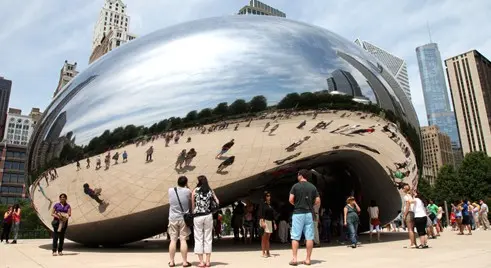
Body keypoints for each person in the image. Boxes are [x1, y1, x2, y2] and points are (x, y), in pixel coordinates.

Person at [288, 169, 320, 266]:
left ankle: (294, 259)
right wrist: (310, 204)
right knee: (309, 237)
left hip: (298, 213)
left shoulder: (295, 186)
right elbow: (318, 200)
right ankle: (308, 259)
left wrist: (296, 204)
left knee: (295, 236)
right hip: (309, 213)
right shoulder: (313, 187)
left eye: (298, 175)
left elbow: (290, 199)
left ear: (301, 176)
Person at [192, 175, 219, 267]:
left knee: (198, 238)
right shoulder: (210, 191)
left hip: (198, 216)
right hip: (208, 215)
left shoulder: (195, 191)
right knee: (208, 238)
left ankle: (201, 262)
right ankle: (208, 261)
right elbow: (217, 202)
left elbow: (192, 204)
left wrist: (194, 211)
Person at [168, 176, 192, 267]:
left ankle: (171, 262)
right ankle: (185, 262)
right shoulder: (188, 191)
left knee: (173, 240)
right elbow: (191, 196)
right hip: (183, 218)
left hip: (173, 218)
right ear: (186, 183)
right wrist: (187, 186)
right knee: (183, 240)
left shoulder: (170, 190)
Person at [259, 191, 276, 257]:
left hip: (270, 221)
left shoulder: (270, 205)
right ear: (265, 197)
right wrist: (262, 222)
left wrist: (274, 223)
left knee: (268, 238)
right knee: (264, 238)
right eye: (267, 196)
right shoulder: (262, 204)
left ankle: (268, 252)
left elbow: (273, 214)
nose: (269, 197)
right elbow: (261, 213)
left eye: (269, 195)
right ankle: (263, 253)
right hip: (264, 221)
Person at [402, 184, 417, 248]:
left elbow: (407, 205)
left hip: (408, 213)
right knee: (412, 229)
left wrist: (405, 215)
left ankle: (412, 244)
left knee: (410, 229)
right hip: (413, 212)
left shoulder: (406, 196)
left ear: (404, 190)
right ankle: (415, 243)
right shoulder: (410, 196)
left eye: (403, 188)